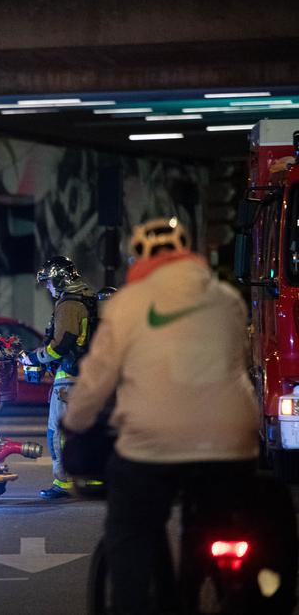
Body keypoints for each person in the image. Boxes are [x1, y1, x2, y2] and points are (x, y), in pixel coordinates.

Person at [63, 217, 259, 614]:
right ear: (189, 252)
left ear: (139, 256)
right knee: (222, 518)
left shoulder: (128, 305)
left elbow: (96, 381)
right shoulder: (228, 300)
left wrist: (74, 421)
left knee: (132, 526)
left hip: (152, 444)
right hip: (232, 440)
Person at [19, 255, 97, 500]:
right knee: (85, 430)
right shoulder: (89, 298)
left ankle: (62, 483)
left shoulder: (69, 304)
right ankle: (92, 479)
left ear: (61, 279)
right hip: (88, 375)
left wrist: (34, 359)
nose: (49, 288)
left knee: (57, 432)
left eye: (50, 282)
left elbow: (60, 345)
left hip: (69, 377)